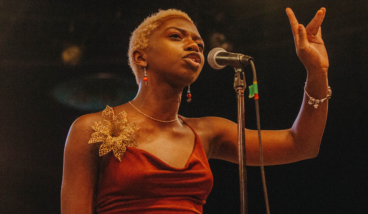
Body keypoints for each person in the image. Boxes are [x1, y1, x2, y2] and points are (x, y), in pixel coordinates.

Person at [61, 7, 330, 214]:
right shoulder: (93, 128)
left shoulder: (208, 131)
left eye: (200, 45)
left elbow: (301, 144)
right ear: (141, 57)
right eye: (176, 36)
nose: (194, 46)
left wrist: (317, 72)